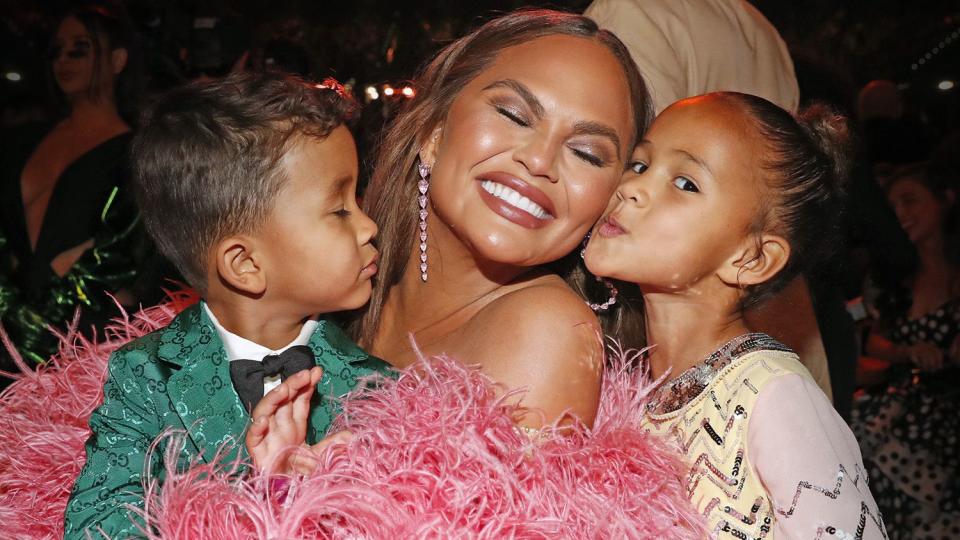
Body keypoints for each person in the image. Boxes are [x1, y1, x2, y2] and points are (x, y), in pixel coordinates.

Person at [243, 8, 651, 470]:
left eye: (586, 153)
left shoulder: (548, 328)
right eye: (514, 115)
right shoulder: (328, 285)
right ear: (434, 133)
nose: (540, 161)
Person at [63, 72, 392, 538]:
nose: (368, 226)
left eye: (356, 200)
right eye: (339, 209)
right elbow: (96, 522)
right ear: (245, 264)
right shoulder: (144, 375)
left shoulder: (376, 384)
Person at [583, 93, 886, 538]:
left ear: (752, 258)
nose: (632, 187)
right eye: (640, 164)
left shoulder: (774, 395)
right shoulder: (627, 390)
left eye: (685, 183)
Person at [0, 5, 147, 369]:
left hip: (81, 348)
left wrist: (35, 327)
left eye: (80, 48)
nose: (63, 60)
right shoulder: (23, 140)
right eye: (56, 50)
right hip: (8, 335)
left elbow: (116, 259)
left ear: (117, 59)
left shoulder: (136, 154)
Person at [851, 161, 959, 538]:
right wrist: (908, 351)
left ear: (946, 200)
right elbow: (865, 338)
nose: (900, 214)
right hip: (898, 419)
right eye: (892, 206)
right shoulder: (886, 276)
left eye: (910, 200)